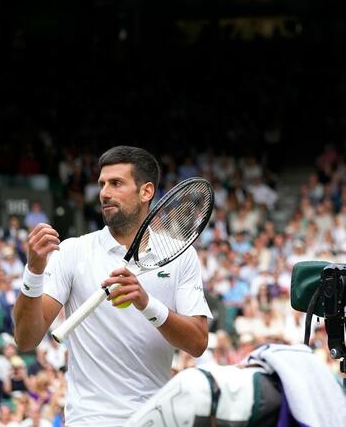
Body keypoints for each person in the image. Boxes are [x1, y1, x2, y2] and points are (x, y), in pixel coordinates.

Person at [13, 146, 211, 426]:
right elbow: (25, 338)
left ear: (146, 192)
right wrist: (33, 272)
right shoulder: (73, 251)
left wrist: (146, 303)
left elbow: (198, 342)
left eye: (116, 183)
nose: (104, 193)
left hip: (153, 418)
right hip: (90, 419)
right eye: (102, 184)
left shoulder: (182, 256)